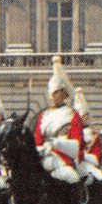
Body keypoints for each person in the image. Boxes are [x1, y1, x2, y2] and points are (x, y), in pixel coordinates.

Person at [35, 56, 85, 185]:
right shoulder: (43, 115)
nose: (53, 96)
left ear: (64, 94)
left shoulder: (72, 115)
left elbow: (77, 143)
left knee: (73, 178)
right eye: (52, 93)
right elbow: (38, 139)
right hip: (44, 157)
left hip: (64, 159)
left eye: (56, 92)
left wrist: (57, 144)